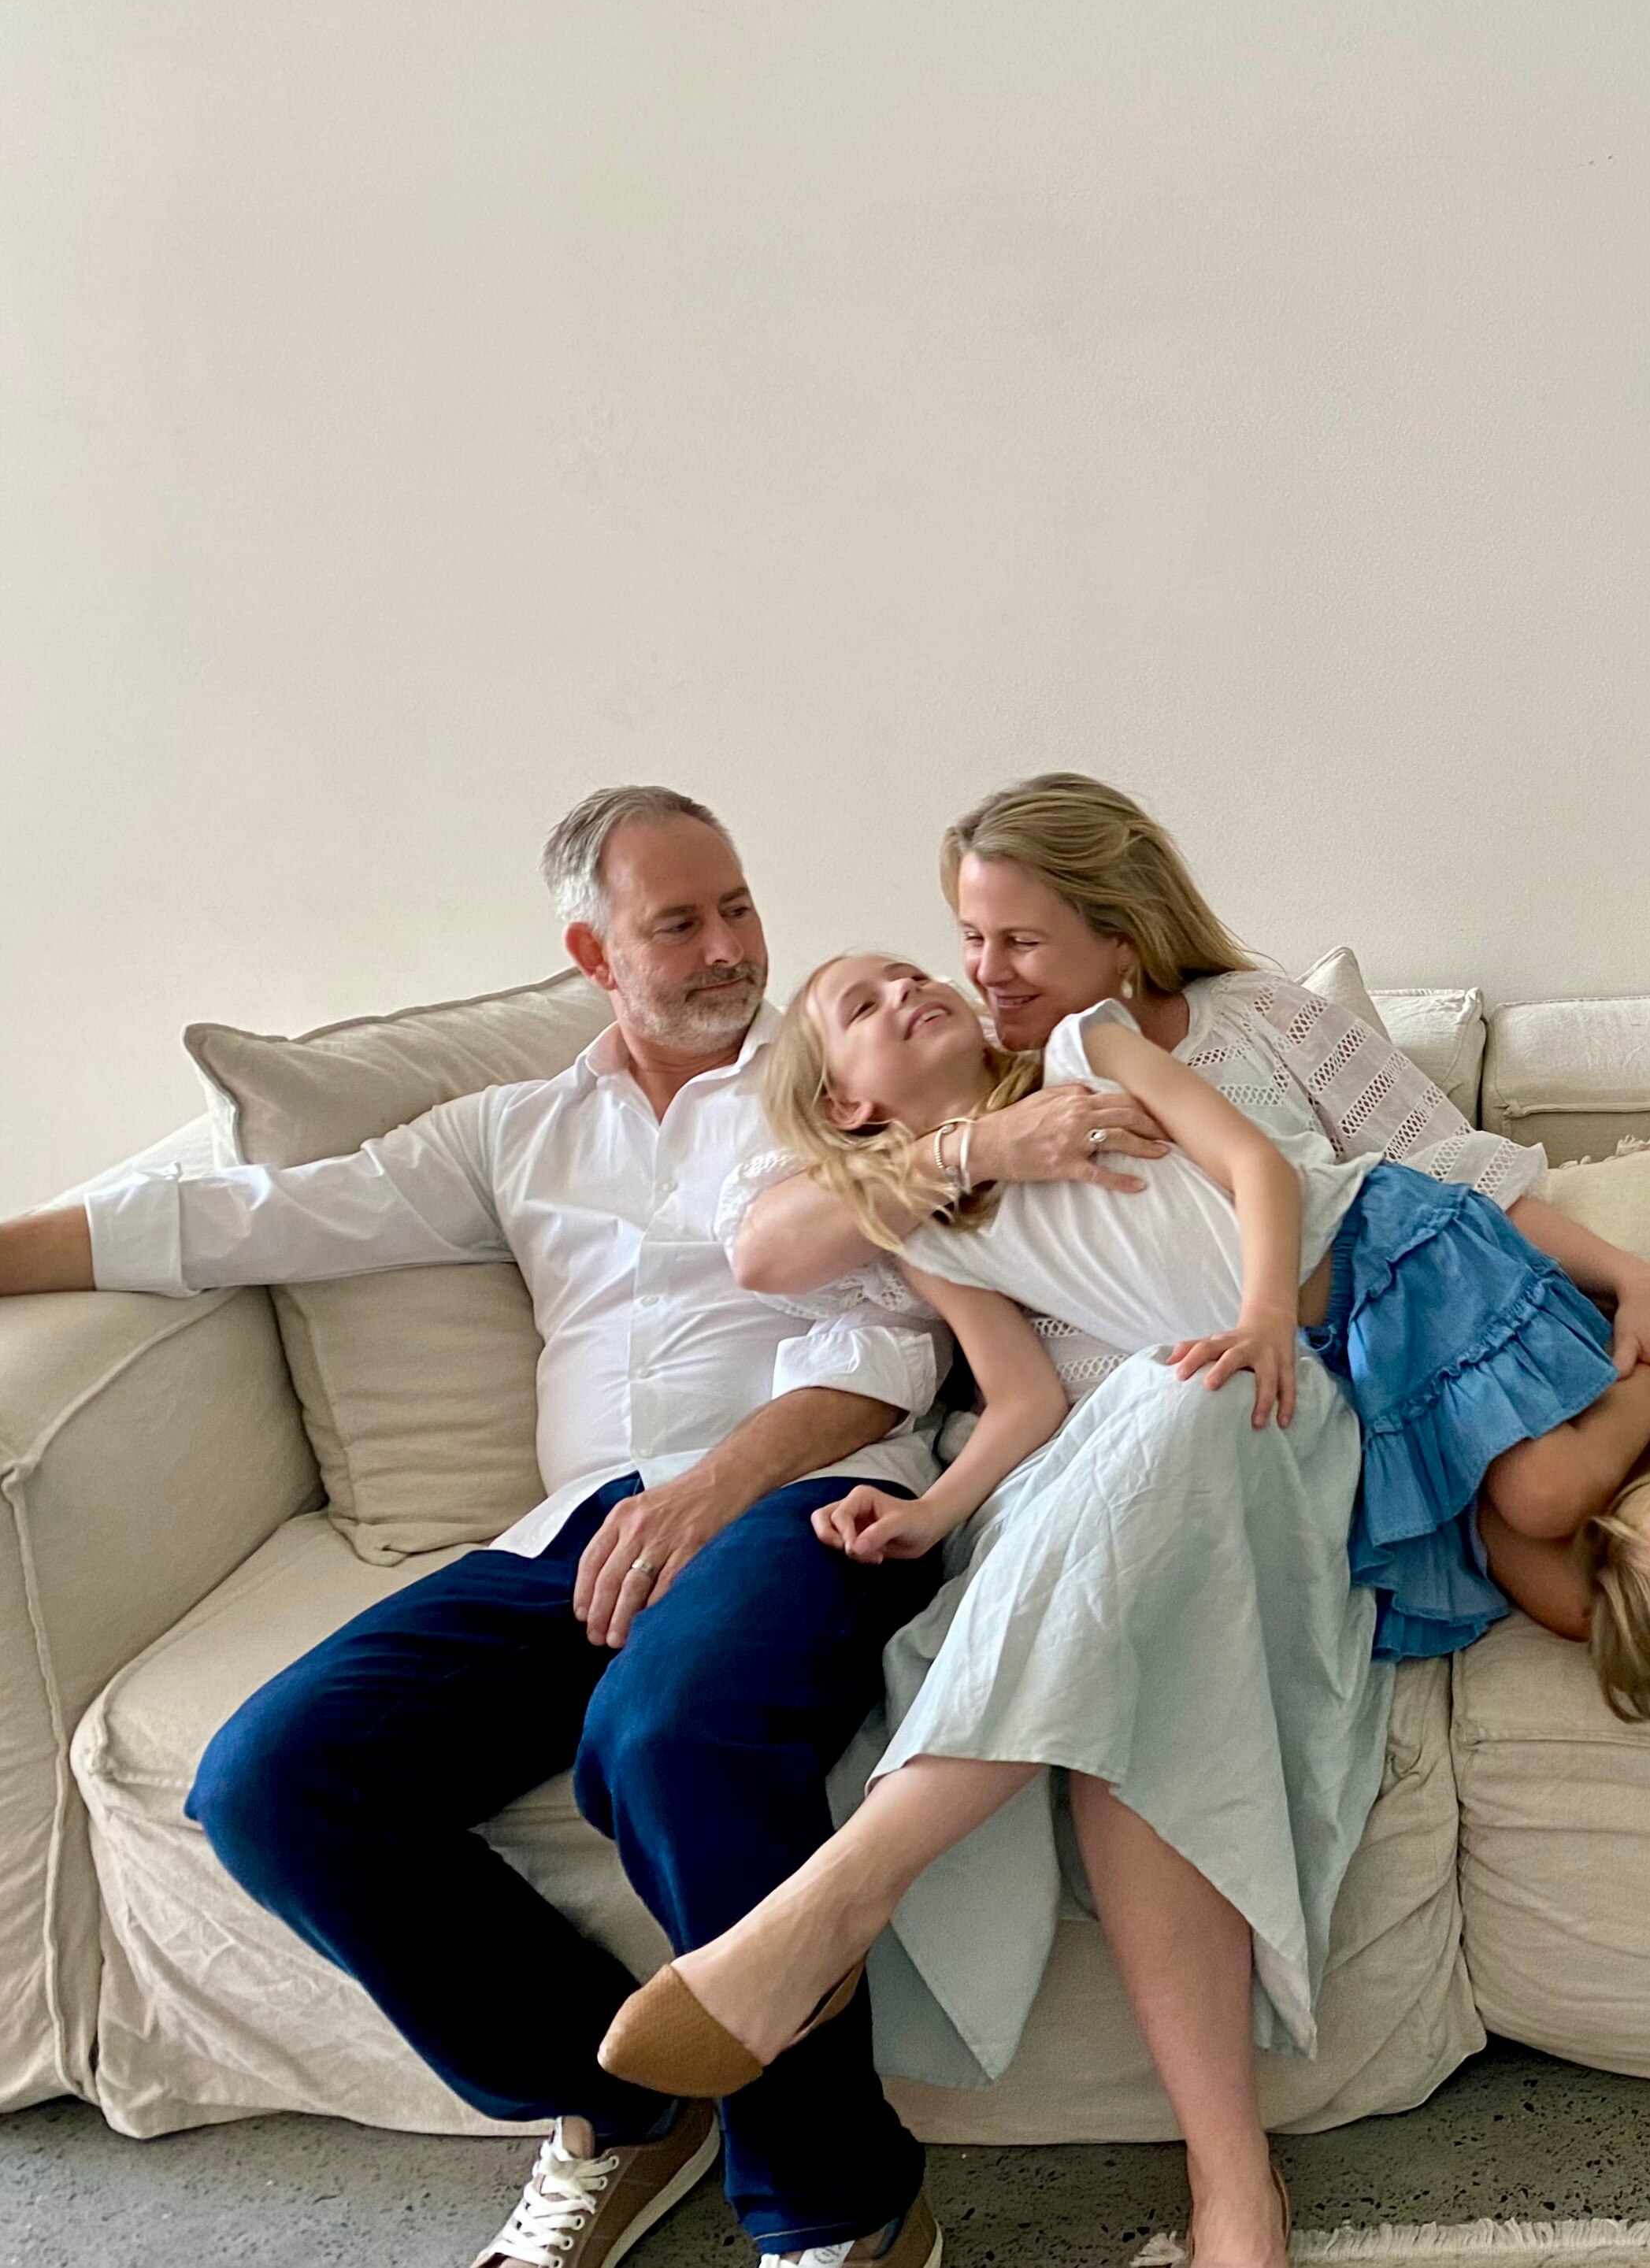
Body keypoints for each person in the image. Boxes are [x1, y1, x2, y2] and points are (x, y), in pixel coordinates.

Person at [0, 788, 988, 2268]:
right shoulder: (516, 1131)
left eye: (738, 907)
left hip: (795, 1502)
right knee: (273, 1779)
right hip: (569, 1538)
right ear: (597, 954)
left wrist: (714, 1486)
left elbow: (899, 1336)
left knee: (671, 1740)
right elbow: (243, 1215)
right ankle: (612, 2099)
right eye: (681, 923)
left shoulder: (828, 1074)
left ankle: (840, 2205)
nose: (731, 946)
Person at [595, 947, 1650, 2104]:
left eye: (912, 969)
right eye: (863, 1005)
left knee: (1503, 1488)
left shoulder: (1089, 1047)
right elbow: (1014, 1396)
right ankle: (845, 1913)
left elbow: (1263, 1169)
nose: (914, 982)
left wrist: (1264, 1318)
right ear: (853, 1108)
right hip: (1250, 1386)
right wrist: (928, 1511)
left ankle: (839, 1900)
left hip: (1343, 1320)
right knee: (1541, 1554)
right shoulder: (927, 1227)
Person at [725, 773, 1650, 1425]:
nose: (980, 973)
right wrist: (976, 1147)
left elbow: (1448, 1180)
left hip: (1323, 1360)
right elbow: (772, 1249)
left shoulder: (1244, 1024)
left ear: (1121, 940)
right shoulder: (982, 1104)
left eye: (1019, 943)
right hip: (1175, 1417)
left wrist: (1638, 1281)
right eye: (969, 938)